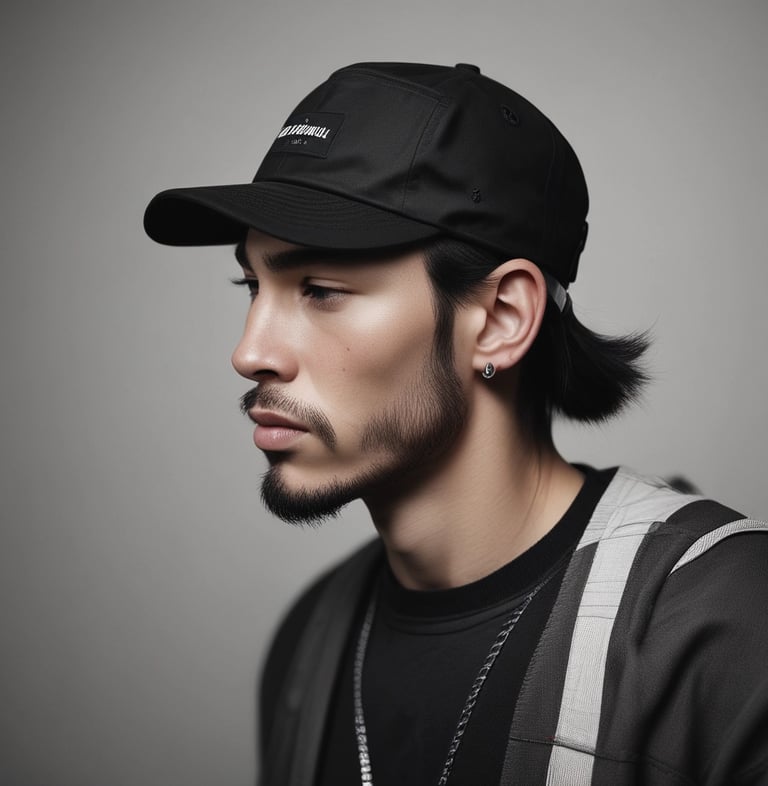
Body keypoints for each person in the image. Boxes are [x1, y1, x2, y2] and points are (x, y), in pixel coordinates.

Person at [144, 62, 768, 786]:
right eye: (254, 285)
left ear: (501, 320)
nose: (249, 352)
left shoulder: (718, 622)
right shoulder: (310, 643)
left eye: (319, 289)